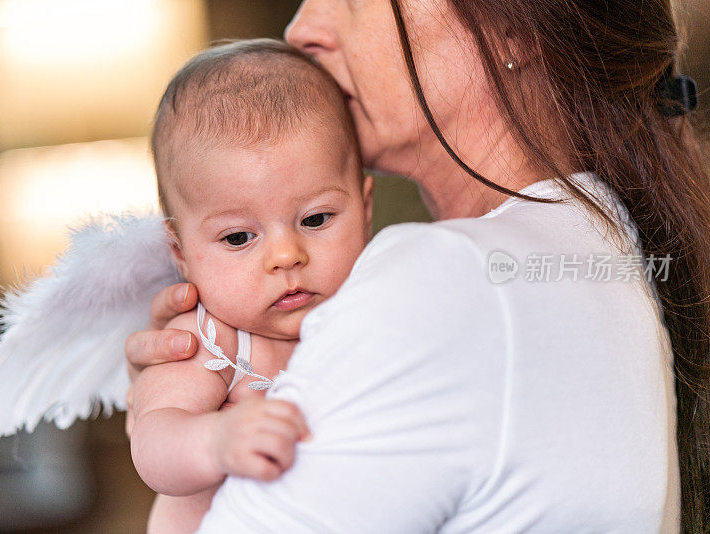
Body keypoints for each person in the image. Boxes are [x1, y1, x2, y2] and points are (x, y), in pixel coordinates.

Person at [126, 1, 710, 532]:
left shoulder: (446, 278)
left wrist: (164, 430)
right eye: (238, 236)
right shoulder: (602, 238)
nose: (300, 30)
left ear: (511, 29)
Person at [130, 39, 373, 533]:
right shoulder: (212, 341)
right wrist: (216, 439)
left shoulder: (376, 308)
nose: (287, 256)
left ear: (366, 208)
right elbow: (152, 444)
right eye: (239, 237)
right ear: (181, 252)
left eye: (317, 218)